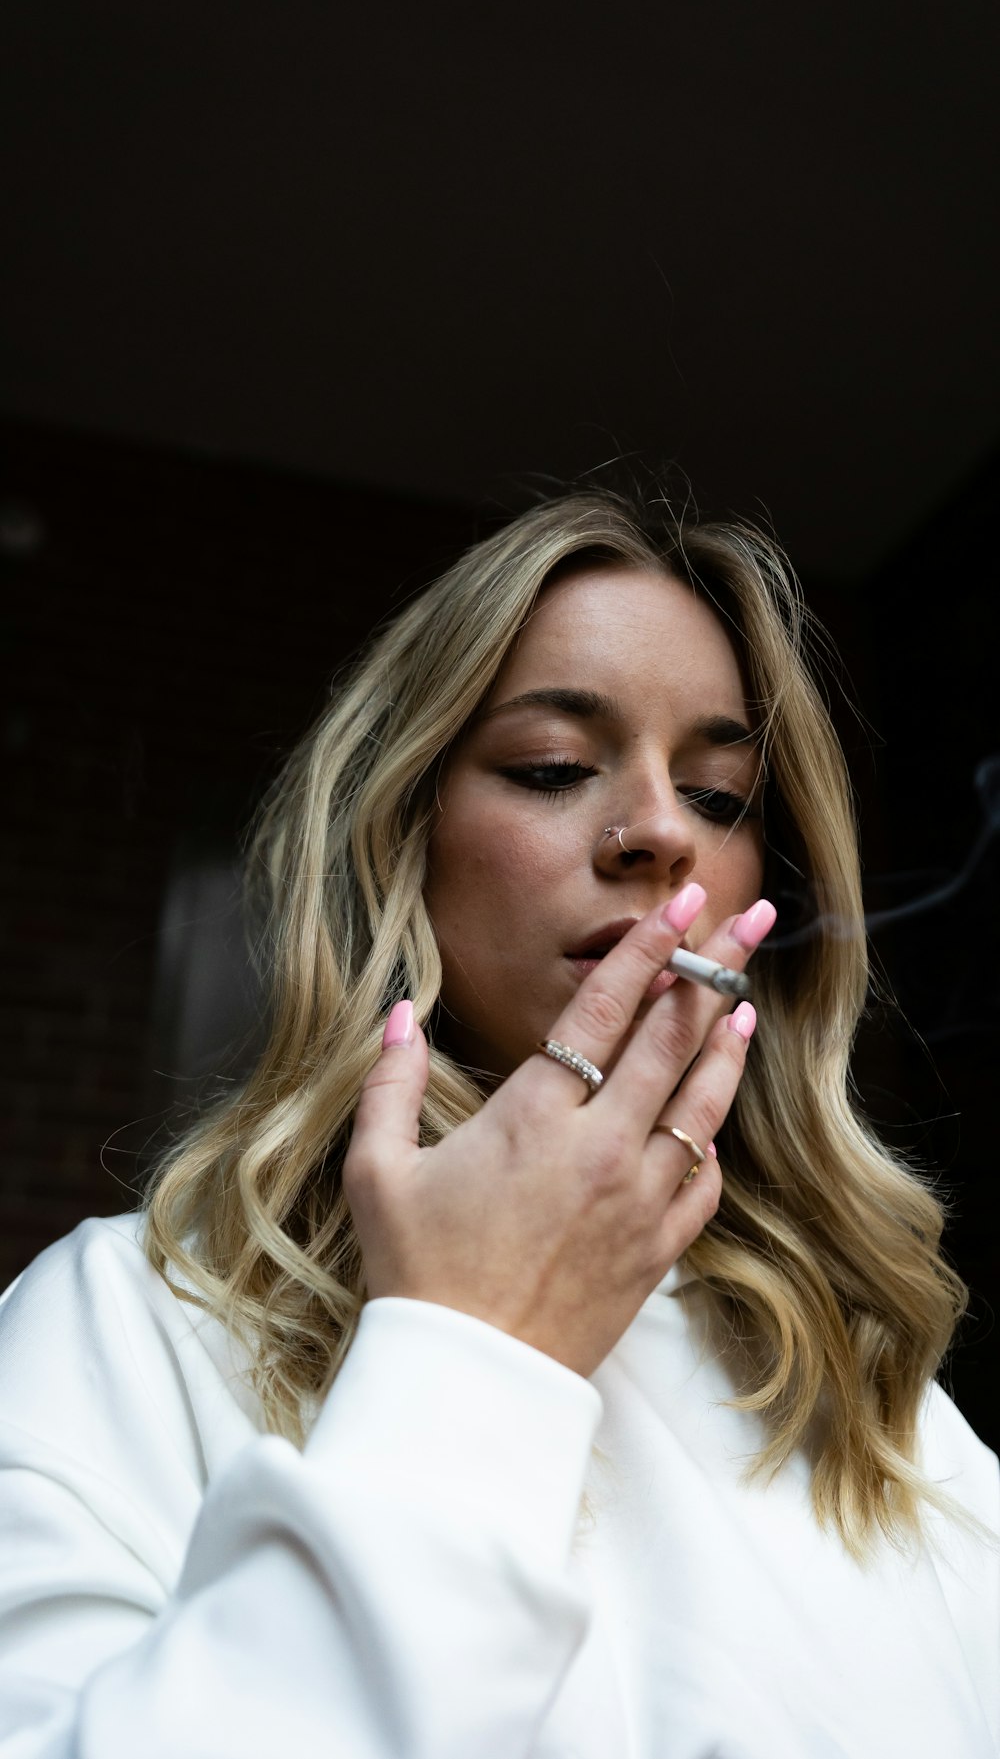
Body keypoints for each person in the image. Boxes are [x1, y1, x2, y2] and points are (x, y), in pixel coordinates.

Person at [0, 481, 996, 1759]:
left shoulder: (875, 1405)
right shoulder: (124, 1321)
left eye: (719, 796)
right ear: (399, 837)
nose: (657, 836)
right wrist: (470, 1348)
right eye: (552, 768)